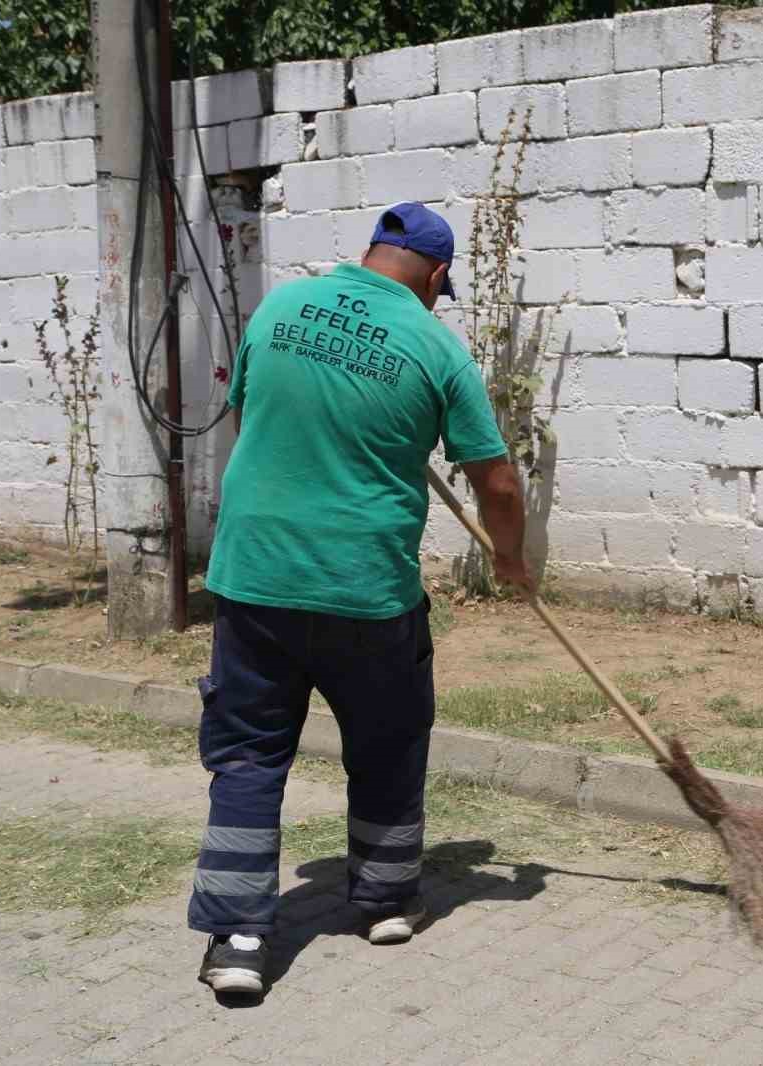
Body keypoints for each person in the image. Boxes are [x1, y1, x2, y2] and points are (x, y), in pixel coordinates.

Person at [189, 202, 531, 997]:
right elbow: (500, 481)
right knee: (388, 737)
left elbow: (250, 415)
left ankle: (238, 938)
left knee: (248, 754)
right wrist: (510, 560)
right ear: (437, 276)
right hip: (366, 589)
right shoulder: (434, 345)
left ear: (372, 252)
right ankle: (382, 899)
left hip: (256, 579)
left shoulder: (278, 308)